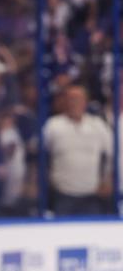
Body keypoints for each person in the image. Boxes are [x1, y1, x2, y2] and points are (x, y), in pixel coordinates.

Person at [43, 84, 113, 215]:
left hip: (92, 196)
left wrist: (108, 180)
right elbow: (40, 156)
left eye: (78, 99)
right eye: (71, 98)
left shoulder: (98, 125)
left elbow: (111, 153)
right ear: (64, 101)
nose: (74, 103)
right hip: (62, 195)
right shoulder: (53, 125)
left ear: (85, 102)